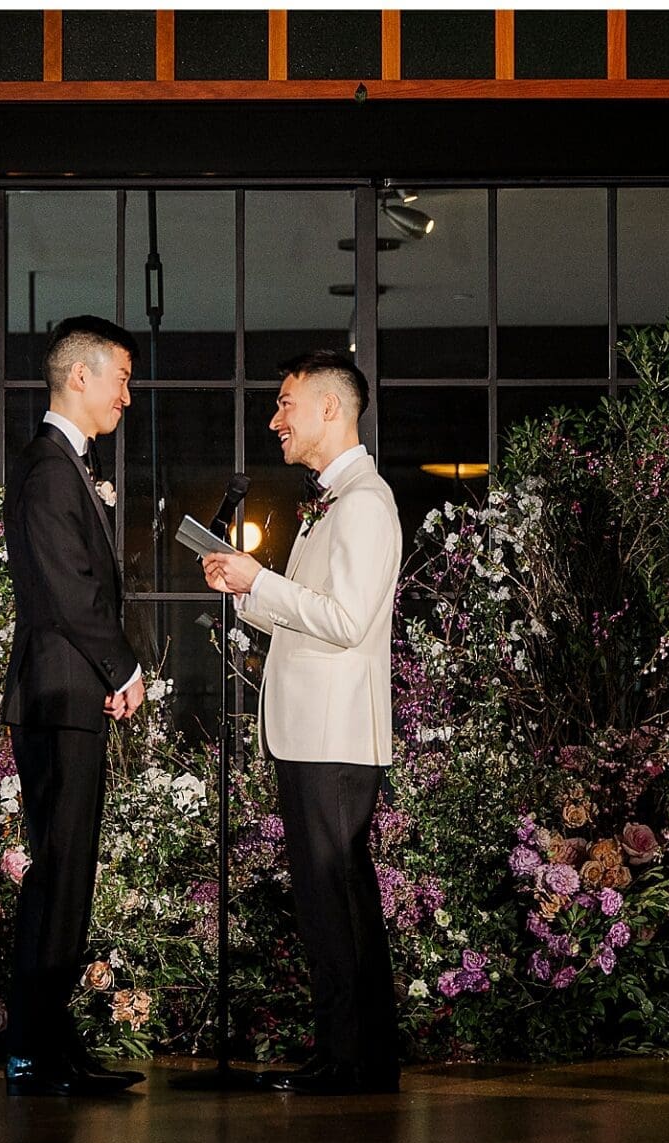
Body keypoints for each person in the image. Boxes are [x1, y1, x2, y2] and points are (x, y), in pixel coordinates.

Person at [203, 351, 404, 1094]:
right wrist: (245, 591)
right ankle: (350, 1054)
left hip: (335, 736)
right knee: (328, 902)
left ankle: (354, 1060)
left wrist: (261, 580)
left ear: (330, 407)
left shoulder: (365, 503)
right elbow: (309, 615)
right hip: (314, 733)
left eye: (286, 404)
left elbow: (347, 620)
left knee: (336, 900)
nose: (274, 420)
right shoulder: (333, 502)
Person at [0, 316, 147, 1097]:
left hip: (65, 693)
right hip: (59, 695)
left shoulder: (58, 464)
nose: (128, 395)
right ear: (80, 376)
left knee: (66, 872)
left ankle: (49, 1042)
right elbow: (71, 590)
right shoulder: (51, 469)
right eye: (121, 378)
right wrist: (123, 667)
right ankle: (35, 1050)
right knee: (60, 873)